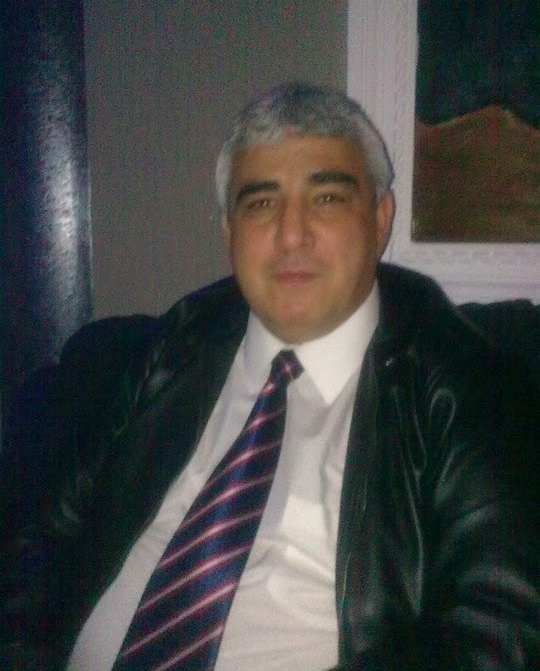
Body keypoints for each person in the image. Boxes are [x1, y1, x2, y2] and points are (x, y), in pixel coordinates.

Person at [1, 83, 539, 671]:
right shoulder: (172, 350)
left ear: (380, 218)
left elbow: (502, 630)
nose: (291, 234)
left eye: (327, 198)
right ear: (228, 231)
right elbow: (46, 535)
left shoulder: (467, 385)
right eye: (260, 203)